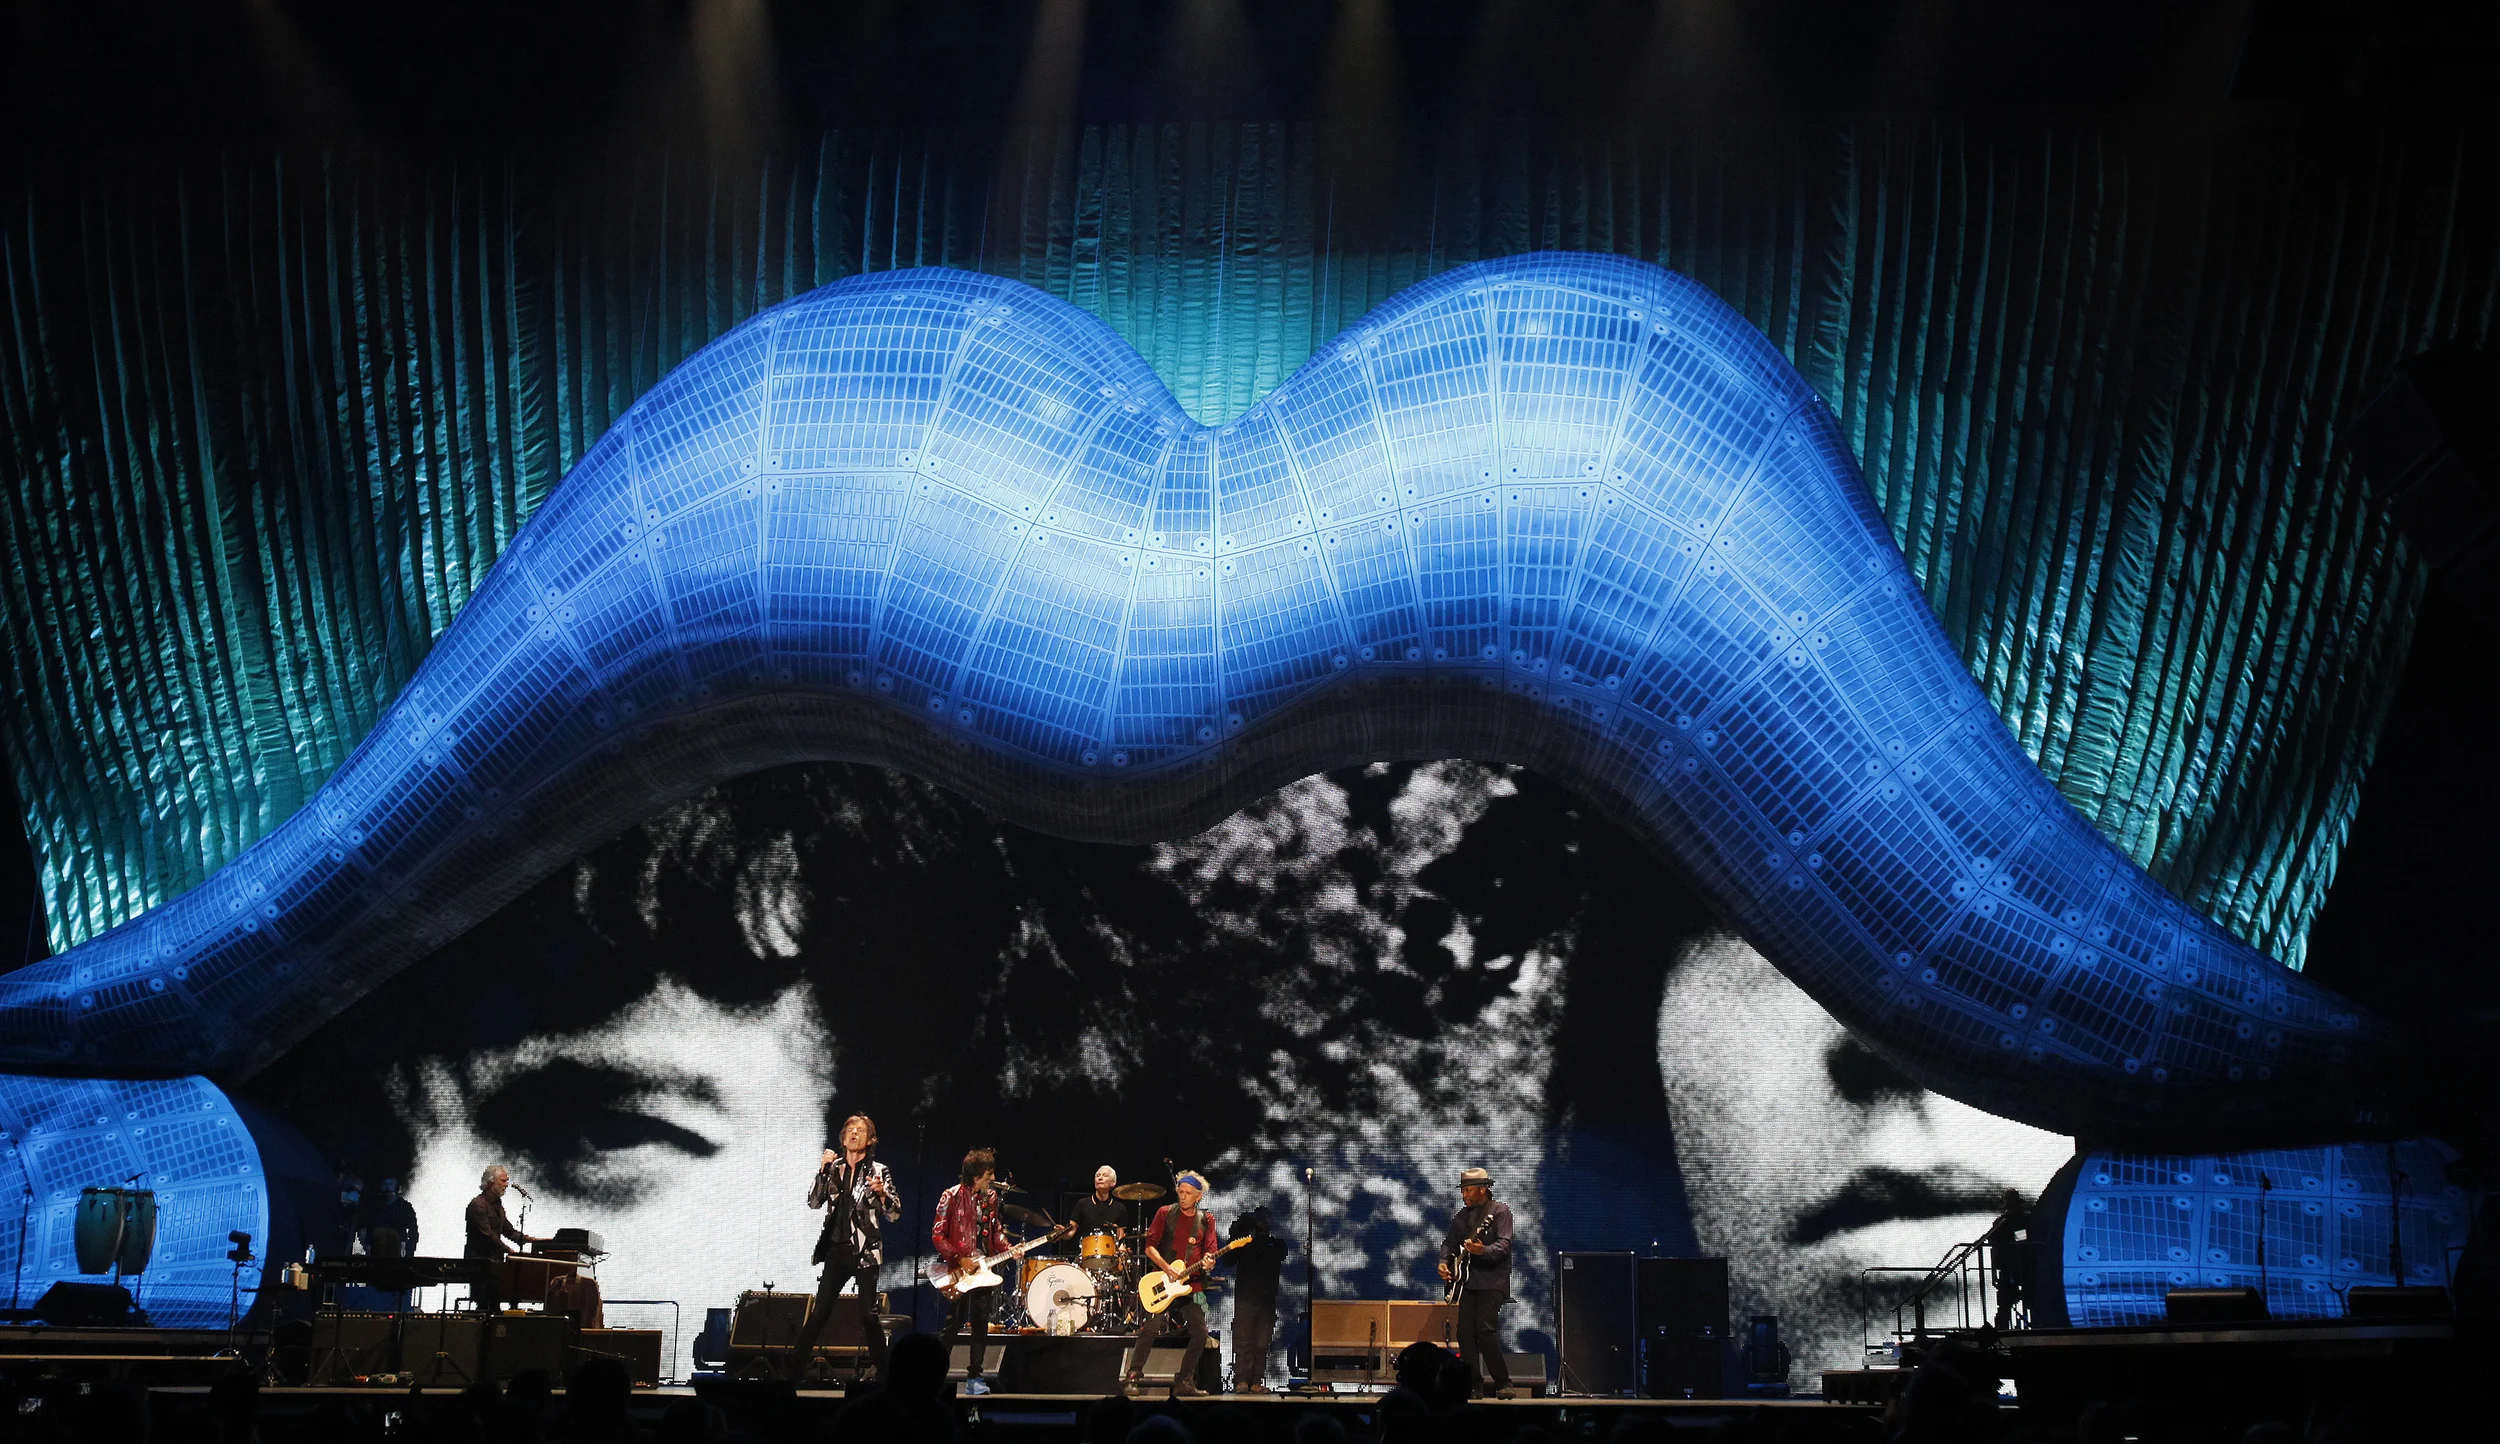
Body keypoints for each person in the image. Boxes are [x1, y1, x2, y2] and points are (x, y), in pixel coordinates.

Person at [788, 1113, 903, 1383]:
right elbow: (814, 1202)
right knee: (819, 1313)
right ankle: (791, 1373)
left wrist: (882, 1194)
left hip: (865, 1252)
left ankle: (885, 1376)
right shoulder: (834, 1168)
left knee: (868, 1315)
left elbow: (895, 1213)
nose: (854, 1133)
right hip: (837, 1251)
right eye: (849, 1129)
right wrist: (822, 1170)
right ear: (843, 1138)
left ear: (871, 1139)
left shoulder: (879, 1171)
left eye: (860, 1130)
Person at [1122, 1170, 1219, 1399]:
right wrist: (1167, 1268)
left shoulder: (1206, 1220)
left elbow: (1210, 1252)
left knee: (1200, 1333)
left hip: (1190, 1284)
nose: (1183, 1196)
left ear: (1199, 1197)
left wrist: (1209, 1263)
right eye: (1180, 1192)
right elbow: (1149, 1247)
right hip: (1163, 1282)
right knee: (1150, 1329)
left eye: (1188, 1193)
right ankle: (1133, 1376)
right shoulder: (1165, 1213)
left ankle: (1184, 1380)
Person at [931, 1148, 1009, 1396]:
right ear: (975, 1176)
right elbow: (938, 1234)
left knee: (980, 1323)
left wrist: (1009, 1248)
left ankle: (975, 1376)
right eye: (988, 1174)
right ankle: (934, 1375)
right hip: (961, 1271)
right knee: (953, 1322)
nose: (992, 1178)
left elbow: (994, 1229)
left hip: (983, 1268)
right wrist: (958, 1258)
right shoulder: (951, 1196)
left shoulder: (991, 1198)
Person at [1436, 1166, 1514, 1398]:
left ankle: (1503, 1383)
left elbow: (1504, 1245)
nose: (1464, 1195)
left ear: (1483, 1189)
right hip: (1467, 1283)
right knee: (1464, 1334)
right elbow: (1449, 1244)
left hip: (1493, 1280)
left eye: (1468, 1190)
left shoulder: (1499, 1212)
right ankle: (1473, 1385)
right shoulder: (1461, 1217)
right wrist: (1443, 1263)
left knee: (1484, 1329)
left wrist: (1482, 1250)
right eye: (1463, 1190)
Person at [465, 1164, 543, 1314]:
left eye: (507, 1181)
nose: (506, 1185)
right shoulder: (478, 1205)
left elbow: (508, 1231)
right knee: (485, 1305)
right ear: (490, 1182)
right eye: (503, 1181)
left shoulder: (497, 1205)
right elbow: (486, 1235)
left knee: (494, 1304)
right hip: (480, 1263)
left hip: (494, 1263)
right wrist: (508, 1250)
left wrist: (530, 1240)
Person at [1226, 1207, 1286, 1392]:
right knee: (1243, 1340)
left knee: (1262, 1342)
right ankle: (1242, 1380)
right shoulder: (1244, 1244)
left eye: (1265, 1219)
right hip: (1246, 1298)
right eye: (1259, 1220)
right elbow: (1228, 1260)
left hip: (1267, 1300)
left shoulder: (1276, 1245)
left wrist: (1257, 1235)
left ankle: (1256, 1381)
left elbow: (1280, 1254)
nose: (1262, 1223)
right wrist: (1238, 1232)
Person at [367, 1176, 419, 1259]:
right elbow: (369, 1229)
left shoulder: (405, 1207)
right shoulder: (375, 1207)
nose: (387, 1187)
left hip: (398, 1250)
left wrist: (409, 1252)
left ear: (396, 1187)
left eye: (390, 1184)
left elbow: (412, 1231)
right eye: (384, 1184)